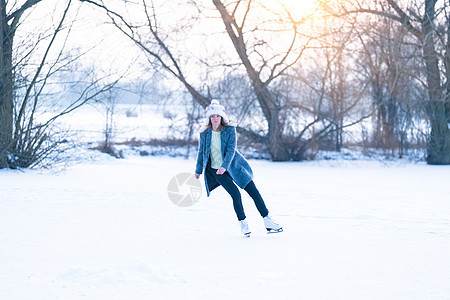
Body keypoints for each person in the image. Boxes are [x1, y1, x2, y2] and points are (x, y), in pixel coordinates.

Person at [194, 99, 283, 236]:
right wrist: (198, 170)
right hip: (217, 170)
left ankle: (268, 221)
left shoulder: (230, 130)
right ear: (209, 118)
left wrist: (225, 166)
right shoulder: (204, 133)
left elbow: (231, 150)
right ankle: (243, 224)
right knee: (235, 194)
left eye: (217, 116)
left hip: (234, 166)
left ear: (222, 117)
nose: (215, 119)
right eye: (212, 116)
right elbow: (202, 152)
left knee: (254, 192)